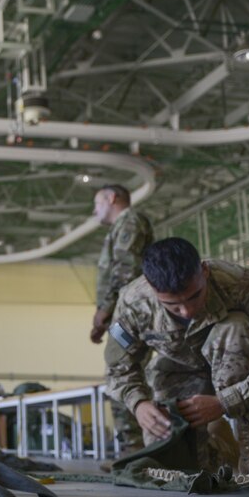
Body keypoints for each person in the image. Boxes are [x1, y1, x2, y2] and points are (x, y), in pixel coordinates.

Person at [104, 237, 249, 478]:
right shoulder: (133, 303)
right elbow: (117, 369)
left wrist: (225, 401)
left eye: (194, 296)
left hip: (237, 364)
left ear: (204, 271)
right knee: (177, 468)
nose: (187, 310)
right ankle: (219, 443)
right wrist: (139, 404)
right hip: (175, 374)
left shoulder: (239, 283)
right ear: (152, 288)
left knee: (234, 327)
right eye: (173, 305)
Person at [90, 184, 153, 461]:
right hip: (123, 311)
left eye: (97, 203)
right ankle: (133, 448)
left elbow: (126, 267)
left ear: (112, 198)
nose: (94, 210)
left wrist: (105, 309)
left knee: (122, 369)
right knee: (121, 368)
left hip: (129, 311)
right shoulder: (120, 228)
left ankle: (135, 448)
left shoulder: (130, 221)